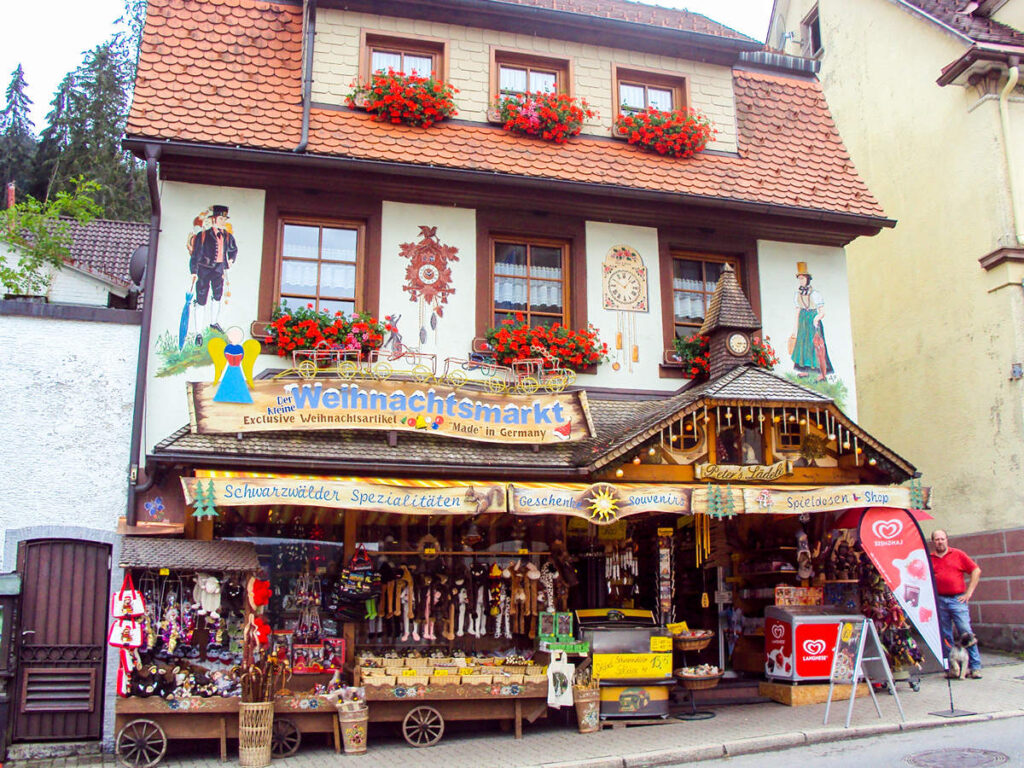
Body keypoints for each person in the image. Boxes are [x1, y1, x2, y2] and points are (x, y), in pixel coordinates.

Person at [929, 529, 982, 678]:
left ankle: (975, 667)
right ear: (933, 541)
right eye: (937, 539)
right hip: (940, 600)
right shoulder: (930, 558)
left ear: (947, 540)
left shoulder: (958, 554)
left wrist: (969, 593)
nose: (940, 542)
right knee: (946, 635)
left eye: (942, 539)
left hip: (957, 600)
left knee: (966, 632)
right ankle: (952, 668)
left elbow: (976, 570)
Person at [188, 205, 237, 344]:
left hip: (219, 270)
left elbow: (233, 250)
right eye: (221, 218)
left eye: (224, 219)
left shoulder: (228, 236)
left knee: (217, 296)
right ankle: (198, 333)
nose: (223, 221)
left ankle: (214, 323)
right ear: (214, 219)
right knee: (201, 300)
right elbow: (196, 255)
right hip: (204, 270)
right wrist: (193, 272)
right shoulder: (203, 236)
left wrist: (231, 260)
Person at [789, 261, 834, 381]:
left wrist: (816, 318)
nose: (801, 281)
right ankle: (805, 370)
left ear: (808, 279)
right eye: (799, 279)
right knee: (803, 345)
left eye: (803, 278)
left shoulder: (815, 294)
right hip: (803, 321)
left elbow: (822, 312)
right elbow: (798, 311)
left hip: (813, 321)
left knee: (816, 347)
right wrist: (795, 328)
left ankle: (822, 373)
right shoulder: (797, 294)